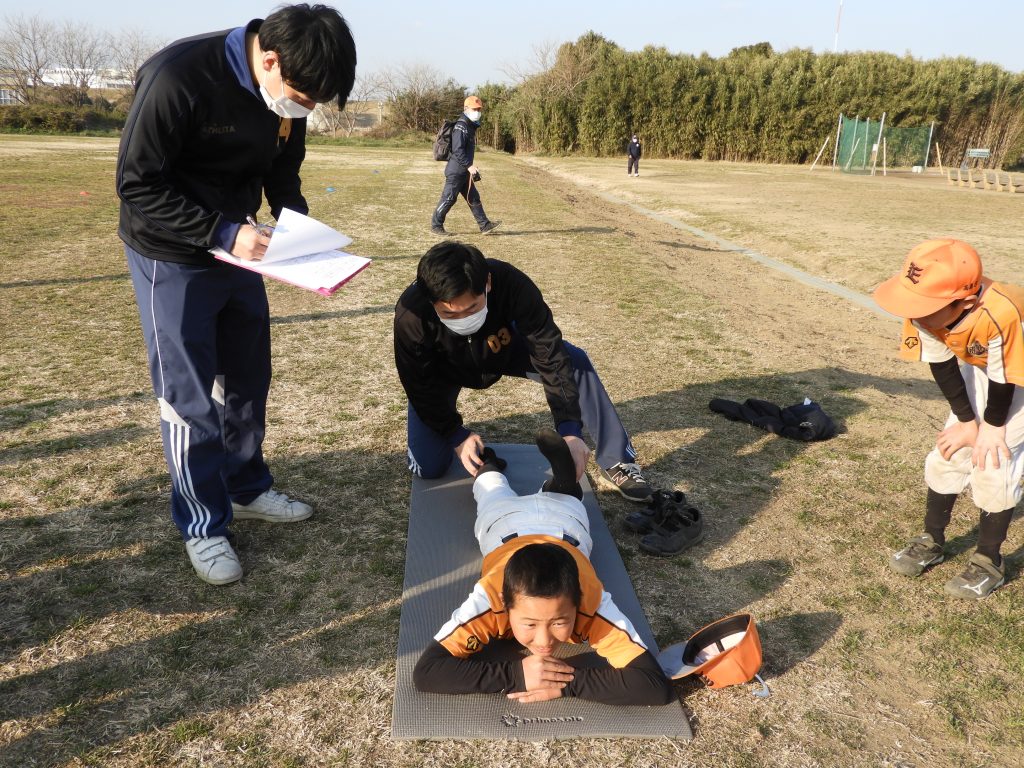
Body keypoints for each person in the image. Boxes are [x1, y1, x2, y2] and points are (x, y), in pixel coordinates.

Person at [116, 4, 357, 585]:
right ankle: (203, 523)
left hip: (244, 248)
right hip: (173, 254)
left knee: (248, 377)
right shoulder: (178, 77)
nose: (305, 110)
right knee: (190, 395)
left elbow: (282, 170)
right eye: (303, 98)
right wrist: (221, 232)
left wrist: (299, 230)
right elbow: (136, 182)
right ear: (268, 60)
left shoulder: (288, 94)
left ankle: (246, 487)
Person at [413, 429, 674, 705]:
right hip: (519, 523)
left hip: (538, 525)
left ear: (578, 603)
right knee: (496, 489)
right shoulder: (490, 598)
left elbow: (656, 687)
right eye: (529, 623)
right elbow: (426, 673)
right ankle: (543, 477)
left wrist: (569, 683)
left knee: (496, 488)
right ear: (504, 602)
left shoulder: (592, 601)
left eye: (559, 622)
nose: (544, 641)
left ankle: (550, 480)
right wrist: (514, 674)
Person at [394, 241, 654, 502]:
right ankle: (458, 440)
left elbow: (550, 354)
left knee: (574, 360)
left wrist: (570, 430)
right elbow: (418, 384)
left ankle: (618, 460)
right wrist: (455, 435)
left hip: (503, 348)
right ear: (430, 301)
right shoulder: (411, 315)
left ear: (487, 283)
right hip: (443, 369)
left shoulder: (511, 283)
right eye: (449, 314)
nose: (463, 319)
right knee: (429, 467)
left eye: (472, 308)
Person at [873, 238, 1024, 600]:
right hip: (989, 369)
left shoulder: (1002, 314)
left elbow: (1007, 379)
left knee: (992, 461)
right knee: (950, 450)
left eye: (925, 307)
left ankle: (989, 561)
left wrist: (991, 429)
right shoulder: (926, 309)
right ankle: (932, 538)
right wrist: (967, 422)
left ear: (965, 303)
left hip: (1017, 373)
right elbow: (942, 365)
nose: (915, 315)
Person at [430, 95, 499, 236]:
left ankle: (485, 225)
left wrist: (470, 167)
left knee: (473, 198)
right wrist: (469, 166)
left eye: (479, 109)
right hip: (456, 171)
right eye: (474, 109)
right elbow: (458, 150)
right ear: (466, 108)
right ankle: (436, 225)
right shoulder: (461, 126)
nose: (477, 112)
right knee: (449, 198)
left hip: (464, 171)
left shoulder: (469, 126)